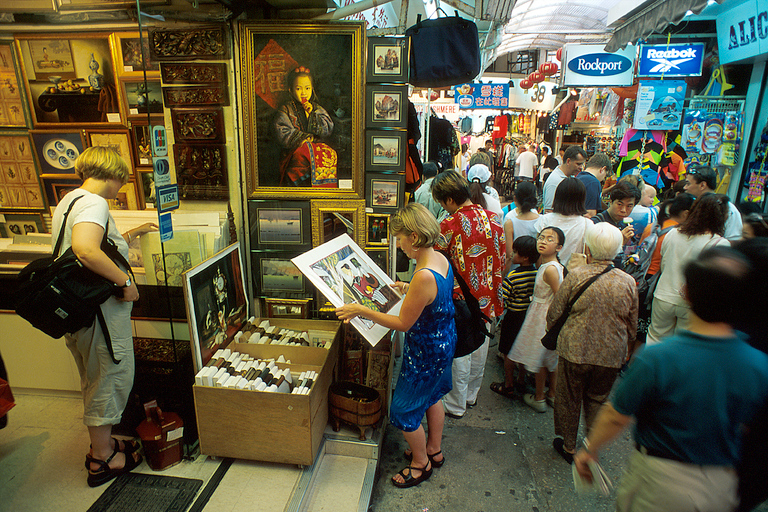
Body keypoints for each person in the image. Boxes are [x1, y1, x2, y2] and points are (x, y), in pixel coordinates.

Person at [573, 247, 768, 512]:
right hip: (722, 484)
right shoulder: (759, 365)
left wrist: (590, 449)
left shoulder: (657, 358)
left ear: (686, 293)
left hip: (661, 482)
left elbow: (617, 416)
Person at [52, 147, 157, 487]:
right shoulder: (96, 203)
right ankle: (102, 458)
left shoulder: (70, 201)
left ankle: (104, 443)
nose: (120, 186)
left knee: (94, 377)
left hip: (82, 313)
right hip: (101, 314)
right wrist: (126, 282)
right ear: (111, 174)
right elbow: (85, 249)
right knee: (109, 378)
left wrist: (132, 234)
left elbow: (96, 246)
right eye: (120, 180)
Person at [336, 203, 454, 488]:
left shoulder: (423, 275)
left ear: (414, 236)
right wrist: (407, 288)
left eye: (400, 238)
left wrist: (361, 310)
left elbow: (402, 323)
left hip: (425, 352)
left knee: (403, 411)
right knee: (432, 397)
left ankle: (421, 463)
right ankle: (433, 449)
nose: (398, 245)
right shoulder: (438, 258)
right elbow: (433, 296)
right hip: (443, 341)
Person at [548, 223, 638, 463]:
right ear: (618, 249)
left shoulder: (577, 275)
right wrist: (627, 348)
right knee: (598, 398)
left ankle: (568, 446)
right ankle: (591, 446)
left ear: (588, 247)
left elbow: (555, 312)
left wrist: (551, 332)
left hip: (575, 349)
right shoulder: (628, 281)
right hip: (610, 353)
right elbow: (632, 323)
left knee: (569, 397)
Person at [432, 171, 505, 419]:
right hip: (488, 295)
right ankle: (472, 395)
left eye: (442, 202)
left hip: (460, 299)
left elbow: (437, 263)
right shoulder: (494, 219)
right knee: (481, 345)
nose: (443, 207)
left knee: (460, 350)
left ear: (450, 199)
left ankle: (455, 404)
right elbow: (502, 258)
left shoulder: (448, 225)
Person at [647, 194, 731, 344]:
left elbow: (663, 263)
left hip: (664, 294)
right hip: (691, 302)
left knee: (655, 338)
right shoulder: (720, 243)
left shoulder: (673, 233)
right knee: (683, 344)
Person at [508, 227, 565, 413]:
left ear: (559, 247)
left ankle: (539, 397)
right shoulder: (549, 266)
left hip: (542, 317)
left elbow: (559, 297)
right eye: (541, 237)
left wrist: (551, 320)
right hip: (541, 314)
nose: (543, 241)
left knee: (538, 356)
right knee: (549, 358)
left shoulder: (550, 269)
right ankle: (552, 394)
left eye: (550, 239)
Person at [490, 235, 538, 397]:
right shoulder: (537, 274)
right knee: (523, 349)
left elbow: (503, 299)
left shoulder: (513, 276)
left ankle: (508, 384)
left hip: (513, 317)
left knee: (508, 352)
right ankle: (521, 380)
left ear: (525, 257)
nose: (512, 254)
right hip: (528, 317)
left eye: (516, 252)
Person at [274, 66, 337, 187]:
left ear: (312, 89)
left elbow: (328, 129)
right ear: (291, 90)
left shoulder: (316, 108)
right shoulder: (286, 109)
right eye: (298, 88)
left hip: (315, 148)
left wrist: (312, 114)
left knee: (330, 153)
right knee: (302, 153)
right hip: (293, 151)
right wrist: (303, 139)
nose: (303, 92)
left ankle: (323, 189)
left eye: (307, 88)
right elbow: (281, 131)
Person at [534, 178, 592, 267]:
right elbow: (588, 255)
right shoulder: (587, 224)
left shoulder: (545, 219)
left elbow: (538, 252)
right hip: (574, 271)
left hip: (547, 270)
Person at [683, 165, 742, 241]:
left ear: (702, 185)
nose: (685, 187)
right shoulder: (687, 203)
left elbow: (733, 239)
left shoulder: (727, 208)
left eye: (688, 184)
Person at [591, 181, 641, 265]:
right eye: (620, 204)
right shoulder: (596, 224)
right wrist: (619, 242)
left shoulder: (624, 224)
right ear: (610, 201)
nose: (623, 210)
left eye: (629, 206)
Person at [503, 181, 539, 269]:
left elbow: (509, 255)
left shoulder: (510, 223)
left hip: (515, 272)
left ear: (515, 199)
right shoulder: (542, 220)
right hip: (535, 271)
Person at [542, 146, 587, 213]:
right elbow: (548, 211)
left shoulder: (570, 176)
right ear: (568, 161)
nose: (581, 167)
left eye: (582, 164)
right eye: (578, 164)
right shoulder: (555, 181)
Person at [577, 153, 610, 217]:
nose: (603, 178)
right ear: (603, 169)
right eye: (605, 174)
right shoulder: (593, 183)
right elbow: (590, 213)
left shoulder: (578, 177)